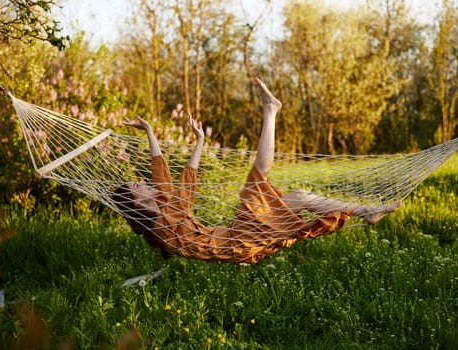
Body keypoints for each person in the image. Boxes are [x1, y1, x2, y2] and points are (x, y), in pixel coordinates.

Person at [113, 78, 400, 263]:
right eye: (136, 186)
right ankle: (271, 111)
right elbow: (185, 188)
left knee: (297, 196)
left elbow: (161, 175)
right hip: (237, 242)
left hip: (235, 235)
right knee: (257, 182)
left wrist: (152, 132)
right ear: (137, 203)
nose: (141, 182)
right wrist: (197, 145)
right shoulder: (163, 224)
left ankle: (366, 211)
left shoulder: (164, 210)